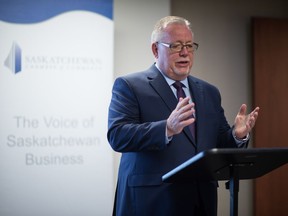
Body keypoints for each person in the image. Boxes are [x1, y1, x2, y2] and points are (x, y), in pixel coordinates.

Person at [107, 16, 259, 216]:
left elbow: (219, 143)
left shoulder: (209, 91)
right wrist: (166, 128)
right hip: (152, 202)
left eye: (189, 45)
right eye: (176, 45)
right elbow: (118, 136)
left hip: (201, 201)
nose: (185, 52)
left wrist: (237, 136)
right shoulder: (130, 86)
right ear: (155, 49)